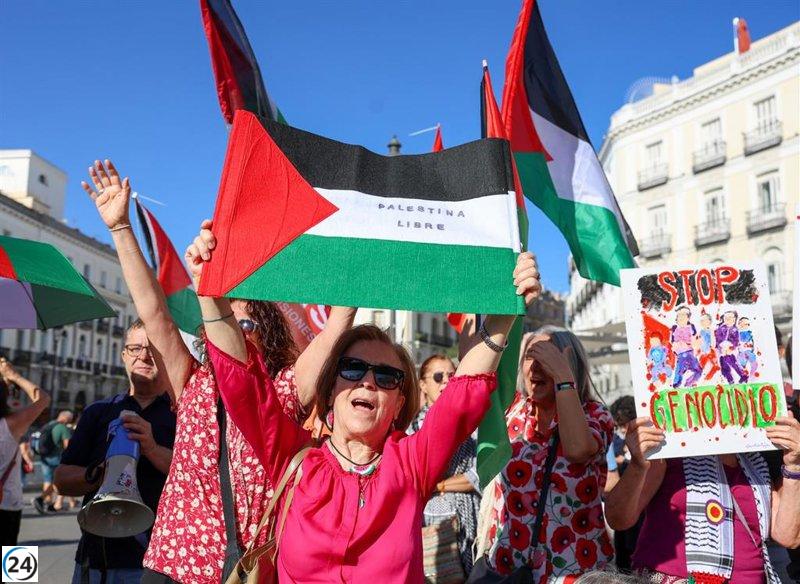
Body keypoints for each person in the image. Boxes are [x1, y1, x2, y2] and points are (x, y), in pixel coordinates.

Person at [188, 220, 542, 582]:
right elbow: (245, 386)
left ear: (399, 402)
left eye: (386, 376)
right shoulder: (294, 459)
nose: (369, 381)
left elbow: (464, 394)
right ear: (330, 391)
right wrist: (208, 294)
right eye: (353, 369)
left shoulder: (410, 464)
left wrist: (506, 311)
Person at [81, 160, 355, 583]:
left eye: (245, 324)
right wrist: (120, 227)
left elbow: (337, 326)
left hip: (245, 568)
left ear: (269, 336)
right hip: (173, 563)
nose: (230, 331)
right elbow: (154, 313)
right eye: (221, 320)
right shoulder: (191, 382)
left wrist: (351, 268)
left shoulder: (284, 390)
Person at [477, 327, 615, 581]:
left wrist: (562, 375)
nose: (536, 366)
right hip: (511, 568)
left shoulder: (594, 415)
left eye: (547, 356)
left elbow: (577, 450)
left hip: (576, 569)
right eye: (530, 356)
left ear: (569, 361)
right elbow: (478, 374)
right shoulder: (513, 411)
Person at [604, 415, 800, 582]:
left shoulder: (755, 460)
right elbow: (618, 519)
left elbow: (789, 536)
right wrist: (638, 464)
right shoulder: (669, 449)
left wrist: (794, 466)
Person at [54, 319, 176, 584]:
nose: (143, 355)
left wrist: (152, 449)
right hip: (97, 561)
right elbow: (61, 480)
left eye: (152, 348)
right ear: (124, 356)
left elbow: (198, 478)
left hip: (159, 564)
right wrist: (101, 474)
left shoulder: (183, 413)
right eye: (135, 348)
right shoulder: (97, 412)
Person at [408, 354, 481, 575]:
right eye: (438, 376)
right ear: (423, 384)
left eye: (452, 375)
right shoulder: (411, 431)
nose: (446, 381)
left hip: (470, 523)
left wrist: (438, 486)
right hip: (429, 526)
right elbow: (413, 477)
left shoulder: (473, 425)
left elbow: (480, 474)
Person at [0, 358, 51, 546]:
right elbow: (43, 398)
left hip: (8, 504)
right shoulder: (10, 424)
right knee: (14, 572)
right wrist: (13, 376)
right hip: (8, 505)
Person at [33, 409, 72, 514]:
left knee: (47, 480)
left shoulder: (49, 424)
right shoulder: (63, 428)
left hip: (44, 456)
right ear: (65, 418)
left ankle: (46, 503)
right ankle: (46, 501)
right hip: (56, 458)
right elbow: (67, 446)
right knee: (60, 481)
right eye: (70, 419)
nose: (70, 421)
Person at [670, 307, 701, 388]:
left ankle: (689, 382)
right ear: (676, 319)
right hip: (681, 354)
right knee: (679, 370)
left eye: (684, 315)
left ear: (688, 318)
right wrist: (675, 348)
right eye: (679, 316)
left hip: (690, 352)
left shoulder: (691, 327)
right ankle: (677, 384)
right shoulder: (675, 329)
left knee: (697, 371)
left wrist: (696, 347)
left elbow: (695, 339)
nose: (681, 318)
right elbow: (673, 343)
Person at [716, 310, 747, 384]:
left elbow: (736, 341)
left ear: (734, 319)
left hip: (730, 350)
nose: (727, 319)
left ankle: (743, 376)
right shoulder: (721, 328)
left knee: (734, 364)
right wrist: (720, 347)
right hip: (722, 350)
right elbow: (718, 338)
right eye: (726, 317)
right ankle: (730, 380)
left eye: (730, 318)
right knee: (724, 367)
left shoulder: (735, 330)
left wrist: (731, 347)